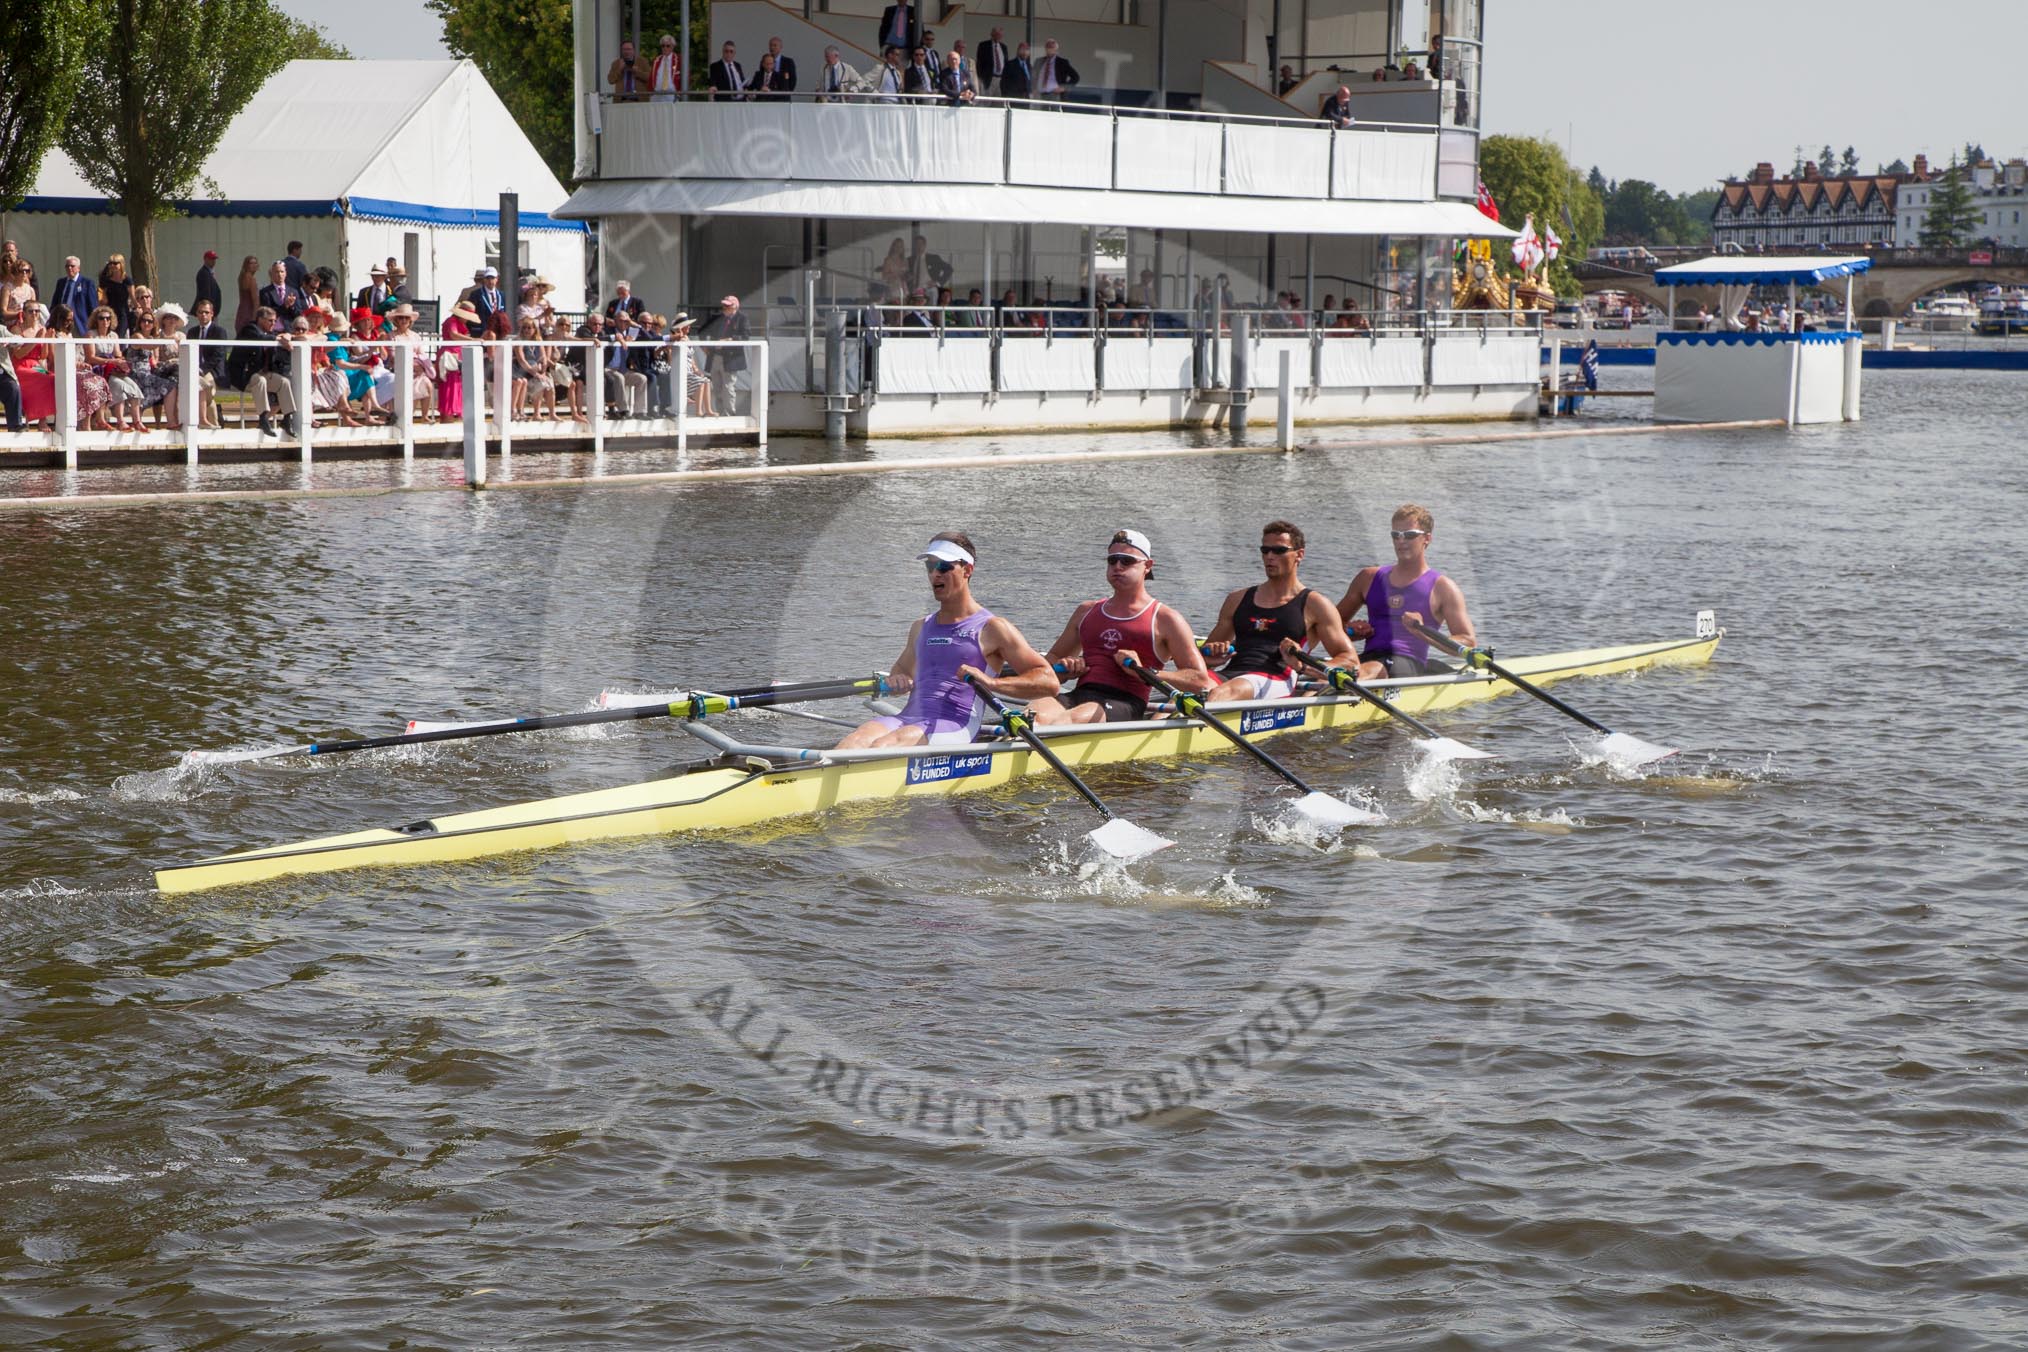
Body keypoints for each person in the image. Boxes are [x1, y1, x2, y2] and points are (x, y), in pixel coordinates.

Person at [837, 532, 1056, 748]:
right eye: (930, 566)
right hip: (908, 719)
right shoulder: (920, 627)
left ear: (967, 570)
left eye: (943, 566)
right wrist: (898, 680)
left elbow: (1049, 682)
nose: (935, 574)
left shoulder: (993, 628)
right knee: (856, 740)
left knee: (888, 743)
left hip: (955, 725)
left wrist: (991, 683)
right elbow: (901, 668)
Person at [1026, 530, 1213, 726]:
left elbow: (1199, 681)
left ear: (1147, 566)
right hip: (1079, 694)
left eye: (1126, 561)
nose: (1117, 567)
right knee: (1036, 711)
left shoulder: (1166, 619)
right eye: (1112, 560)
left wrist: (1144, 672)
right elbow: (1049, 663)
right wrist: (1063, 670)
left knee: (1079, 715)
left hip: (1125, 703)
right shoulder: (1086, 611)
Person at [1201, 520, 1358, 702]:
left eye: (1279, 551)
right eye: (1265, 550)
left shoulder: (1315, 604)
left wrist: (1302, 667)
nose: (1269, 556)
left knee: (1224, 692)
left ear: (1299, 555)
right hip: (1231, 674)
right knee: (1195, 688)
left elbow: (1350, 662)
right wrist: (1209, 657)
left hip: (1277, 677)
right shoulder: (1236, 599)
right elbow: (1202, 659)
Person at [1335, 503, 1478, 679]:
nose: (1401, 541)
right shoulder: (1368, 578)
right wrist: (1350, 632)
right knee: (1333, 670)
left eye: (1409, 535)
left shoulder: (1443, 588)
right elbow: (1329, 624)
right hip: (1366, 660)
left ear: (1427, 538)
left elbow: (1468, 642)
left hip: (1408, 664)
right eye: (1396, 535)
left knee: (1369, 669)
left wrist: (1423, 631)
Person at [228, 305, 297, 437]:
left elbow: (279, 337)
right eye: (270, 320)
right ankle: (263, 419)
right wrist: (279, 339)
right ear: (260, 319)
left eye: (275, 321)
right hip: (244, 375)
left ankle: (287, 419)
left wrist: (287, 335)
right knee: (260, 380)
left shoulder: (270, 333)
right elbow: (260, 337)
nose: (273, 324)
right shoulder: (249, 329)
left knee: (284, 382)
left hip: (262, 374)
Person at [696, 294, 750, 414]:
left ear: (735, 306)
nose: (724, 308)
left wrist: (730, 340)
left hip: (730, 358)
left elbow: (746, 336)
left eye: (727, 306)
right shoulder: (717, 317)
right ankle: (721, 413)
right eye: (724, 305)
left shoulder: (742, 318)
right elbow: (701, 331)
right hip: (715, 356)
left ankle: (731, 413)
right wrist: (704, 346)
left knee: (728, 387)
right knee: (717, 387)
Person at [186, 298, 228, 428]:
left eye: (206, 312)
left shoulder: (219, 332)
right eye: (200, 312)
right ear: (197, 314)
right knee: (202, 392)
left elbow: (218, 355)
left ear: (212, 314)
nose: (203, 315)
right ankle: (213, 425)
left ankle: (210, 422)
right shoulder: (192, 332)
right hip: (194, 370)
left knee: (205, 386)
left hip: (212, 371)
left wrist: (201, 369)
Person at [439, 300, 478, 419]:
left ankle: (452, 415)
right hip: (450, 356)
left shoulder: (459, 322)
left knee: (457, 385)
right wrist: (472, 340)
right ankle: (447, 417)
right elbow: (453, 335)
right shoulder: (451, 321)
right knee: (449, 387)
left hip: (458, 356)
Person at [49, 256, 96, 335]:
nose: (69, 268)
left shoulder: (87, 283)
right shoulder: (61, 282)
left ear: (78, 268)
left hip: (79, 323)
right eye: (67, 266)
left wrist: (92, 324)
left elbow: (93, 306)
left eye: (72, 266)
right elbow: (55, 302)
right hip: (61, 321)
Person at [258, 260, 305, 325]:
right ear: (272, 274)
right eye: (277, 272)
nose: (280, 274)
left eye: (282, 272)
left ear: (286, 273)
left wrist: (291, 306)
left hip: (290, 329)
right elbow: (267, 314)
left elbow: (299, 314)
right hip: (273, 329)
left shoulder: (293, 291)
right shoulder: (265, 292)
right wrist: (285, 305)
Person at [98, 255, 134, 335]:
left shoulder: (127, 280)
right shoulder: (106, 280)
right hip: (110, 312)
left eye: (115, 263)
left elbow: (133, 297)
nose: (112, 266)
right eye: (110, 263)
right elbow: (102, 297)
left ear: (121, 264)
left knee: (120, 335)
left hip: (122, 312)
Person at [649, 33, 682, 100]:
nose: (665, 48)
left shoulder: (679, 59)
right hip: (656, 94)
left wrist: (679, 93)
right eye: (663, 46)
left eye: (668, 46)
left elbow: (686, 77)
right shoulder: (656, 60)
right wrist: (650, 92)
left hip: (672, 95)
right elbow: (651, 77)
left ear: (673, 46)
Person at [233, 255, 260, 333]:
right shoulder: (251, 279)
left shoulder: (241, 277)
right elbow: (256, 301)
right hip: (249, 312)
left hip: (241, 311)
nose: (254, 265)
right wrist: (254, 318)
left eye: (255, 263)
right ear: (246, 265)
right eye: (251, 263)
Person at [978, 27, 1008, 94]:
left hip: (1001, 79)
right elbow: (979, 63)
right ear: (992, 34)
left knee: (999, 102)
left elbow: (1006, 63)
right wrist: (981, 78)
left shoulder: (1004, 47)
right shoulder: (984, 45)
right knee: (986, 102)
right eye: (996, 34)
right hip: (989, 79)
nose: (998, 36)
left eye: (1000, 34)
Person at [193, 249, 223, 316]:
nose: (214, 261)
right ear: (206, 259)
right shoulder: (204, 273)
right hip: (208, 310)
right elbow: (206, 293)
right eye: (211, 259)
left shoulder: (209, 272)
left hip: (211, 310)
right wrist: (208, 309)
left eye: (214, 259)